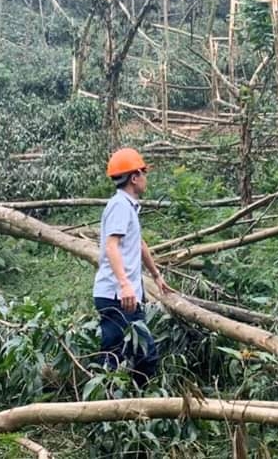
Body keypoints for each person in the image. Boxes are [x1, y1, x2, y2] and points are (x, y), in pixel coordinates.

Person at [93, 147, 173, 388]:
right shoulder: (120, 205)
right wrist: (126, 285)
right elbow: (112, 246)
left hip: (124, 296)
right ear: (134, 177)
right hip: (118, 297)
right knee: (128, 356)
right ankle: (109, 407)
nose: (145, 179)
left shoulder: (128, 206)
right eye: (144, 174)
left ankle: (131, 403)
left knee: (129, 355)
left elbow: (139, 244)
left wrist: (156, 275)